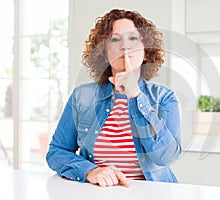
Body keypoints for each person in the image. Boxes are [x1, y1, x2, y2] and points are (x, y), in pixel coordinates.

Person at [46, 9, 181, 187]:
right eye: (115, 39)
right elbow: (56, 152)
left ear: (146, 52)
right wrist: (89, 171)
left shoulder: (164, 97)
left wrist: (135, 95)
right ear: (104, 52)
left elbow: (166, 156)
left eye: (133, 38)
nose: (125, 46)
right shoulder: (82, 96)